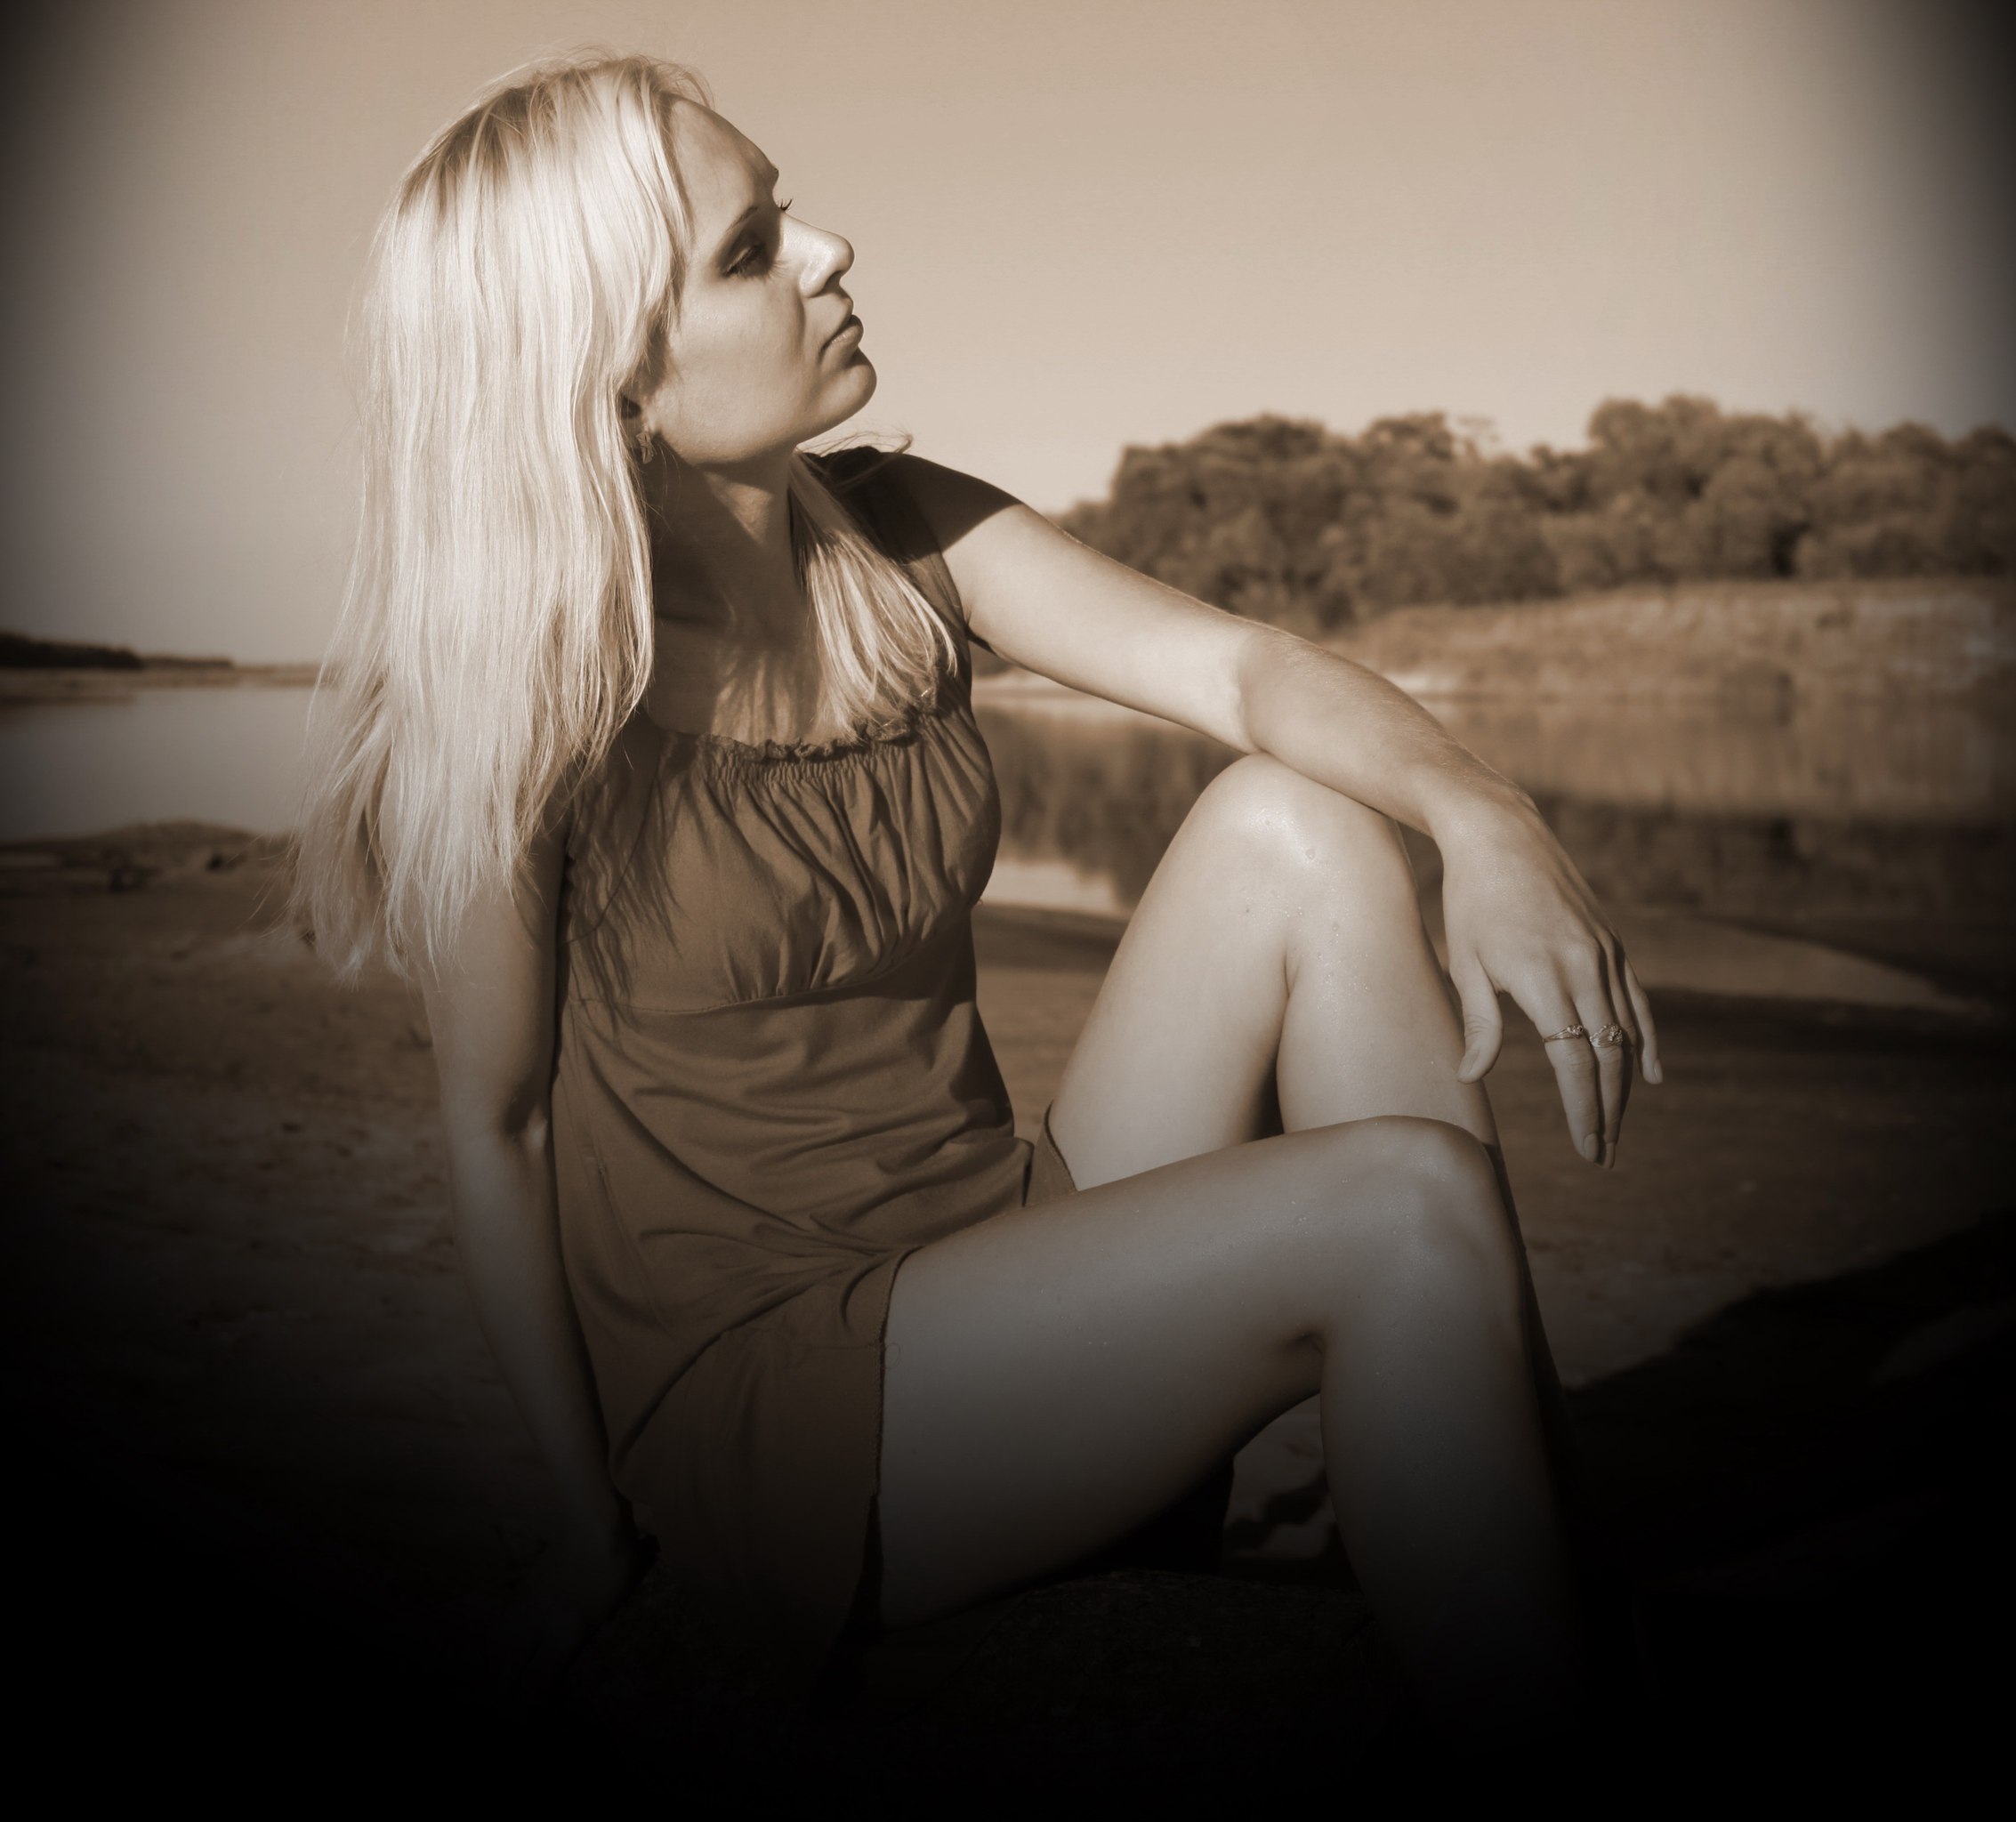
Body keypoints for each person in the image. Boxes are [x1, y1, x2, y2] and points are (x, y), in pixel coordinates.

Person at [289, 51, 1659, 1749]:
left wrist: (1481, 813)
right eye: (751, 251)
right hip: (777, 1384)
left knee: (1300, 823)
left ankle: (1522, 1545)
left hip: (1002, 1251)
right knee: (1405, 1207)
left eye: (790, 213)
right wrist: (586, 1528)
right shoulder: (528, 708)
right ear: (608, 376)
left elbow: (1244, 674)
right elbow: (497, 1125)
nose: (831, 252)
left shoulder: (902, 542)